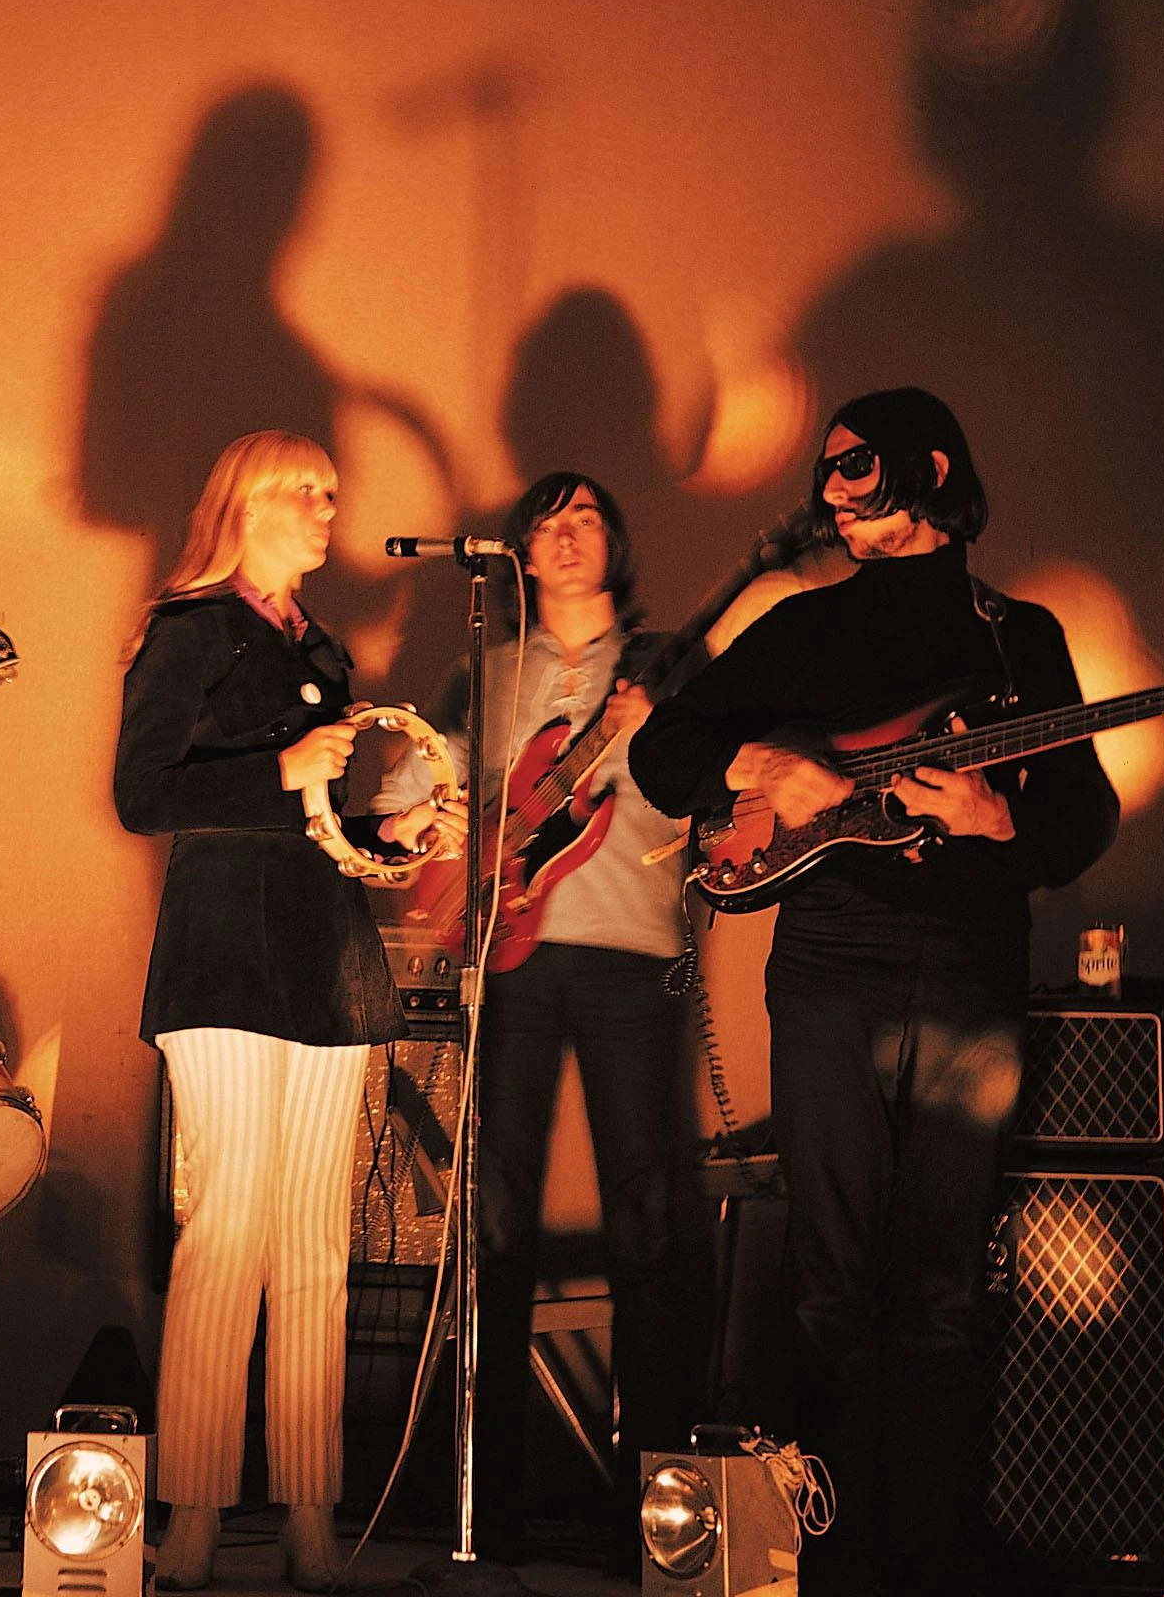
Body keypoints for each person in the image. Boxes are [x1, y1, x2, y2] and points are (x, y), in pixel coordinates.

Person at [627, 387, 1120, 1596]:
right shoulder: (803, 626)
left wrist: (1000, 820)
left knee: (944, 1281)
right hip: (830, 959)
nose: (832, 489)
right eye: (827, 468)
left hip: (968, 962)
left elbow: (1085, 811)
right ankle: (829, 1556)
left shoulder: (1018, 637)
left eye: (856, 465)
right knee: (829, 1274)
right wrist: (758, 762)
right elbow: (662, 747)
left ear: (929, 470)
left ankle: (930, 1553)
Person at [113, 430, 464, 1592]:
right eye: (303, 490)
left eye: (329, 491)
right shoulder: (189, 628)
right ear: (246, 503)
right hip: (222, 960)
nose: (325, 507)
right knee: (227, 1229)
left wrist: (387, 830)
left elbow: (312, 822)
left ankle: (311, 1513)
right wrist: (282, 764)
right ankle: (196, 1512)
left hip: (327, 959)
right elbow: (141, 793)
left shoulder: (320, 644)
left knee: (317, 1239)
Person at [373, 472, 707, 1570]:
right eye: (547, 523)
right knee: (495, 1223)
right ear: (517, 552)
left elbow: (713, 797)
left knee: (649, 1222)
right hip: (507, 958)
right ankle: (487, 1509)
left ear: (617, 543)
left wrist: (662, 738)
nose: (567, 536)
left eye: (588, 518)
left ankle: (659, 1517)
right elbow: (413, 796)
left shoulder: (668, 663)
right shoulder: (485, 670)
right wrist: (422, 812)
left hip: (635, 958)